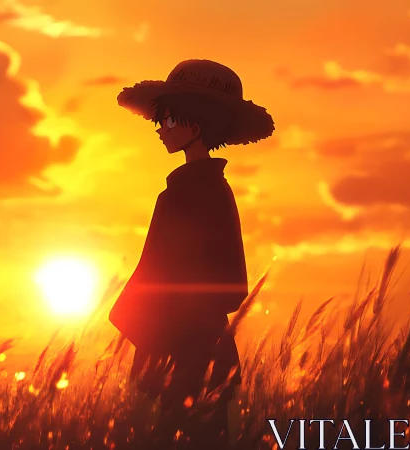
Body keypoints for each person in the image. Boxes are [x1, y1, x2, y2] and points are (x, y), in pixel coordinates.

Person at [109, 59, 275, 448]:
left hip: (189, 345)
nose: (160, 130)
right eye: (160, 120)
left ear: (195, 126)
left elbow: (216, 277)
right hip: (190, 342)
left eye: (168, 121)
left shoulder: (200, 193)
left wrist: (163, 326)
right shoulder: (192, 191)